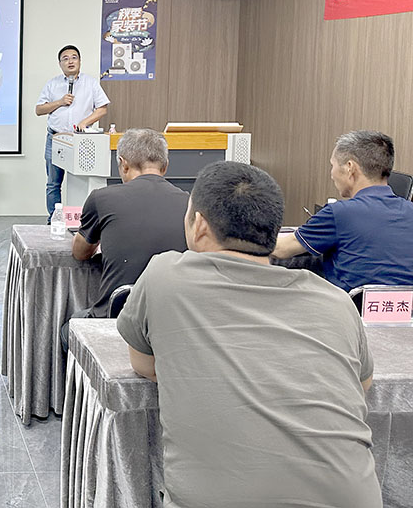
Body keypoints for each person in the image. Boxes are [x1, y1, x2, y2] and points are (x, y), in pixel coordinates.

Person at [116, 162, 380, 508]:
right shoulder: (335, 300)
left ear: (199, 225)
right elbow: (362, 383)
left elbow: (145, 365)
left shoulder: (164, 275)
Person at [273, 130, 413, 292]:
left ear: (349, 168)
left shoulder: (339, 213)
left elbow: (280, 249)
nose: (332, 174)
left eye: (333, 165)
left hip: (347, 307)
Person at [71, 128, 188, 317]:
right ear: (165, 166)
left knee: (70, 324)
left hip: (114, 316)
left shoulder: (101, 198)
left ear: (123, 164)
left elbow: (80, 253)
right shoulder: (190, 203)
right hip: (170, 316)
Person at [35, 45, 110, 218]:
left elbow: (102, 109)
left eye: (74, 57)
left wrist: (84, 122)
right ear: (60, 64)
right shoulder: (52, 84)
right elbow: (39, 110)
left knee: (82, 182)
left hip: (81, 140)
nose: (70, 61)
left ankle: (82, 220)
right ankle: (54, 219)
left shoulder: (91, 83)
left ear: (80, 61)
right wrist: (60, 102)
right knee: (53, 183)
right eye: (65, 58)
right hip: (55, 138)